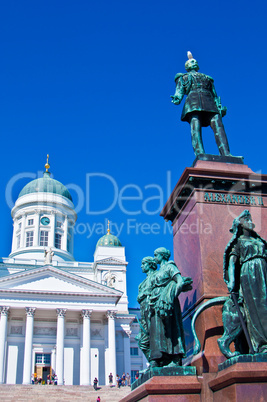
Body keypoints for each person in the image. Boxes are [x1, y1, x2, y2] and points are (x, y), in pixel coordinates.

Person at [171, 52, 231, 157]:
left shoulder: (208, 78)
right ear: (187, 66)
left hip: (209, 101)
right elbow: (179, 90)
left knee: (218, 125)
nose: (195, 62)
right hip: (193, 101)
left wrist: (219, 106)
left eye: (195, 61)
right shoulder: (183, 77)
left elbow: (214, 94)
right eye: (192, 62)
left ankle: (226, 154)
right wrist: (177, 98)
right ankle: (200, 153)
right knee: (195, 127)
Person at [224, 210, 267, 354]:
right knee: (257, 308)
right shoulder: (239, 242)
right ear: (240, 225)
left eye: (250, 219)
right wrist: (232, 281)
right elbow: (232, 262)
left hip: (264, 271)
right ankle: (262, 344)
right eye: (246, 220)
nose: (250, 222)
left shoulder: (259, 241)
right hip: (250, 274)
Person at [148, 247, 193, 367]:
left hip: (168, 303)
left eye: (156, 255)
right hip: (157, 303)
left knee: (171, 329)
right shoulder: (158, 271)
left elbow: (180, 282)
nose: (155, 257)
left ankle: (175, 358)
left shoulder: (170, 267)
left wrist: (170, 296)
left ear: (162, 255)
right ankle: (163, 358)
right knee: (159, 331)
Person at [136, 257, 158, 361]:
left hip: (153, 311)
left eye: (143, 264)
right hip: (143, 312)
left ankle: (155, 362)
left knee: (155, 337)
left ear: (150, 265)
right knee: (142, 341)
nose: (141, 266)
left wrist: (145, 294)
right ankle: (152, 362)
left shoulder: (157, 276)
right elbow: (139, 297)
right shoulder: (142, 284)